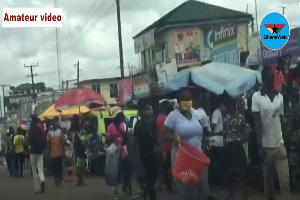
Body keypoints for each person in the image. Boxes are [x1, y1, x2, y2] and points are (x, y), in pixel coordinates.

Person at [162, 89, 209, 200]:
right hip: (182, 159)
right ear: (178, 101)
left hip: (198, 158)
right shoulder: (173, 116)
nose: (187, 102)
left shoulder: (197, 114)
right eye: (184, 100)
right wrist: (174, 138)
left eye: (188, 99)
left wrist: (205, 142)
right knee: (187, 192)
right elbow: (163, 134)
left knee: (202, 188)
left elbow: (203, 130)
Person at [252, 66, 291, 200]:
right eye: (269, 77)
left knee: (285, 183)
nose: (272, 79)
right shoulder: (256, 97)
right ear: (263, 79)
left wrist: (285, 138)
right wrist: (260, 146)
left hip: (279, 144)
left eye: (273, 76)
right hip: (266, 147)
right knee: (269, 187)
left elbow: (281, 119)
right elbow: (257, 123)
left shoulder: (279, 97)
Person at [223, 99, 250, 199]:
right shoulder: (240, 117)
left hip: (230, 144)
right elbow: (247, 129)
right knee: (241, 168)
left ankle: (232, 192)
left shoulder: (226, 118)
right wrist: (243, 138)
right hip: (237, 144)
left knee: (231, 169)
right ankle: (244, 192)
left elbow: (225, 131)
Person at [107, 109, 134, 199]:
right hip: (121, 152)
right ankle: (127, 190)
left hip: (118, 152)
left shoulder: (112, 126)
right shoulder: (121, 125)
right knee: (124, 171)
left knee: (120, 172)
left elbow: (109, 139)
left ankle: (122, 190)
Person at [134, 102, 158, 200]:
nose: (150, 111)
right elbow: (136, 140)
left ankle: (148, 194)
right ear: (143, 111)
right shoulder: (140, 124)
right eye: (148, 109)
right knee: (150, 177)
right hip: (145, 153)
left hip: (151, 152)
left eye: (151, 109)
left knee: (151, 177)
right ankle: (147, 194)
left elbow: (156, 136)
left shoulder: (152, 121)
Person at [156, 99, 173, 193]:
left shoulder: (161, 117)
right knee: (167, 168)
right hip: (166, 147)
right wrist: (162, 150)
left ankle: (164, 185)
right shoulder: (163, 119)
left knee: (165, 168)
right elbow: (161, 135)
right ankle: (169, 187)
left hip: (166, 146)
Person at [28, 115, 47, 194]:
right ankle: (42, 180)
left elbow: (28, 141)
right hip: (40, 152)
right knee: (40, 169)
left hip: (32, 152)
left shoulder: (30, 130)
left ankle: (36, 188)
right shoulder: (40, 130)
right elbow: (44, 140)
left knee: (34, 171)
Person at [70, 114, 87, 187]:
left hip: (76, 145)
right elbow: (82, 136)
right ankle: (80, 180)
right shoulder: (78, 127)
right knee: (81, 164)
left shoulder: (72, 127)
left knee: (79, 163)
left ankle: (79, 180)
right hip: (81, 145)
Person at [47, 117, 65, 187]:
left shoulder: (59, 132)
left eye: (56, 122)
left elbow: (62, 143)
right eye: (54, 122)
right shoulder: (49, 133)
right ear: (52, 124)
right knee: (54, 168)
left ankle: (60, 181)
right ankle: (56, 181)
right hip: (53, 154)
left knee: (59, 168)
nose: (55, 124)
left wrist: (63, 152)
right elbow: (48, 144)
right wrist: (49, 154)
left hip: (59, 153)